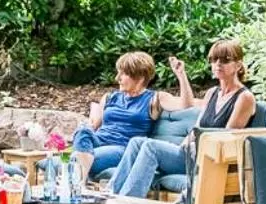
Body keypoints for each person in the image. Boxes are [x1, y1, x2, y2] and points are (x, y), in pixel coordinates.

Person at [107, 39, 257, 199]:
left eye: (225, 60)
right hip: (191, 153)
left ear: (238, 65)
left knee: (151, 147)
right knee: (137, 142)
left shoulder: (244, 97)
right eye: (214, 60)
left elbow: (226, 137)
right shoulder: (212, 93)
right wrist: (184, 145)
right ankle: (110, 194)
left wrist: (190, 149)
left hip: (210, 160)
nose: (218, 64)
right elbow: (198, 126)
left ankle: (127, 201)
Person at [71, 50, 194, 181]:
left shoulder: (154, 99)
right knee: (83, 131)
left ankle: (77, 184)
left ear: (139, 77)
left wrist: (181, 75)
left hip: (123, 148)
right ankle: (79, 182)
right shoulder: (109, 98)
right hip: (98, 141)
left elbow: (186, 104)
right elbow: (93, 126)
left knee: (77, 161)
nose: (117, 78)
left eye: (123, 74)